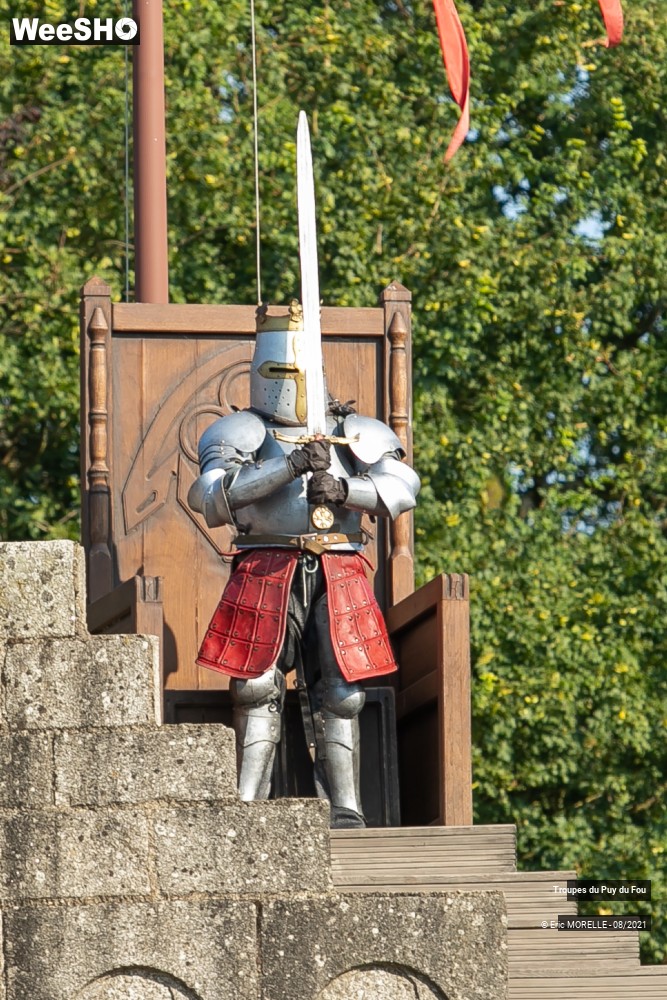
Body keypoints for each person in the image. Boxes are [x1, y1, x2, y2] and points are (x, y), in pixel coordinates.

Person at [188, 306, 420, 828]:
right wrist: (286, 466)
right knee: (255, 684)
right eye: (279, 373)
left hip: (338, 564)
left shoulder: (355, 430)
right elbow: (211, 498)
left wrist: (345, 489)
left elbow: (403, 489)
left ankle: (346, 807)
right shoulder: (240, 430)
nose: (289, 384)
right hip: (266, 561)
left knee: (341, 691)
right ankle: (248, 803)